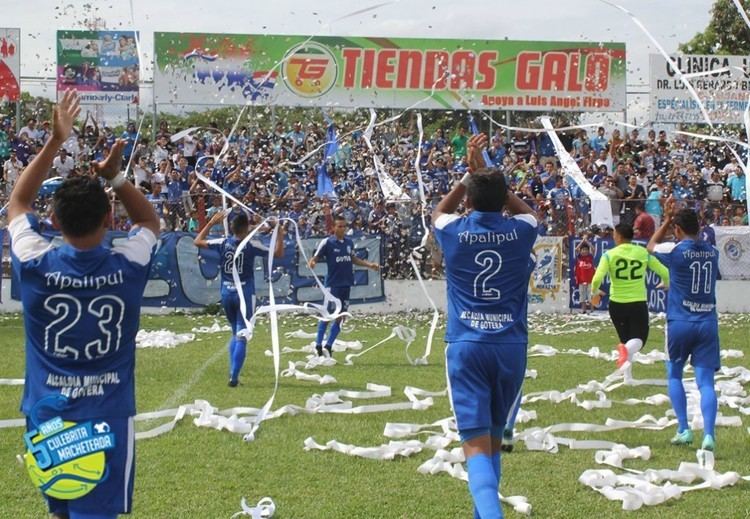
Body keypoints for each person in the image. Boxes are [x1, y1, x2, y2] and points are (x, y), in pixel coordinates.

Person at [8, 90, 159, 519]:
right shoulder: (129, 264)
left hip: (47, 413)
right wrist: (116, 178)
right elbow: (149, 221)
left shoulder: (35, 262)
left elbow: (18, 203)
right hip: (106, 419)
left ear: (53, 221)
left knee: (61, 510)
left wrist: (55, 141)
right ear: (110, 220)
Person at [433, 133, 538, 519]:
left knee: (475, 446)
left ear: (470, 201)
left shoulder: (455, 233)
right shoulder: (523, 231)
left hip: (466, 346)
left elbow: (438, 212)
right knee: (492, 441)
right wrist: (489, 176)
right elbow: (527, 212)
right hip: (510, 347)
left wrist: (467, 176)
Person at [647, 200, 720, 451]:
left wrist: (666, 220)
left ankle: (684, 429)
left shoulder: (675, 250)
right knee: (706, 383)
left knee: (674, 374)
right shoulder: (712, 251)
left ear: (677, 230)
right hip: (707, 321)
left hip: (679, 321)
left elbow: (651, 246)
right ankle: (709, 435)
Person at [194, 210, 285, 386]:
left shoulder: (222, 242)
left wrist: (211, 223)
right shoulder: (252, 245)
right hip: (244, 293)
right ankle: (234, 377)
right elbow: (278, 254)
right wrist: (279, 233)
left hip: (226, 293)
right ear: (246, 228)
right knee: (242, 334)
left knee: (236, 332)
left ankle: (232, 372)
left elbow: (197, 241)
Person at [590, 222, 669, 368]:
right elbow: (664, 272)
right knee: (639, 340)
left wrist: (594, 292)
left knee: (626, 340)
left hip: (616, 304)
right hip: (637, 302)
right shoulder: (642, 253)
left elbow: (596, 279)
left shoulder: (609, 255)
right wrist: (666, 282)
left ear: (619, 236)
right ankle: (625, 352)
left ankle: (627, 376)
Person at [308, 215, 379, 357]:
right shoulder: (327, 242)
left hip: (346, 284)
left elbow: (353, 258)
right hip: (332, 285)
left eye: (344, 226)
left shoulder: (349, 243)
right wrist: (312, 262)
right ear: (333, 228)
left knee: (341, 316)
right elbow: (315, 257)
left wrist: (369, 265)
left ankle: (329, 346)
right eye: (339, 226)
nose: (342, 229)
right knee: (326, 315)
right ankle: (318, 344)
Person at [574, 241, 596, 313]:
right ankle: (584, 310)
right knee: (582, 295)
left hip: (590, 280)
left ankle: (592, 310)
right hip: (581, 280)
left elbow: (593, 249)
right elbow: (576, 249)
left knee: (590, 295)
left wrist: (587, 241)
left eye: (586, 250)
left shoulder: (590, 257)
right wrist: (582, 241)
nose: (584, 251)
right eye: (583, 250)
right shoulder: (579, 258)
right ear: (580, 251)